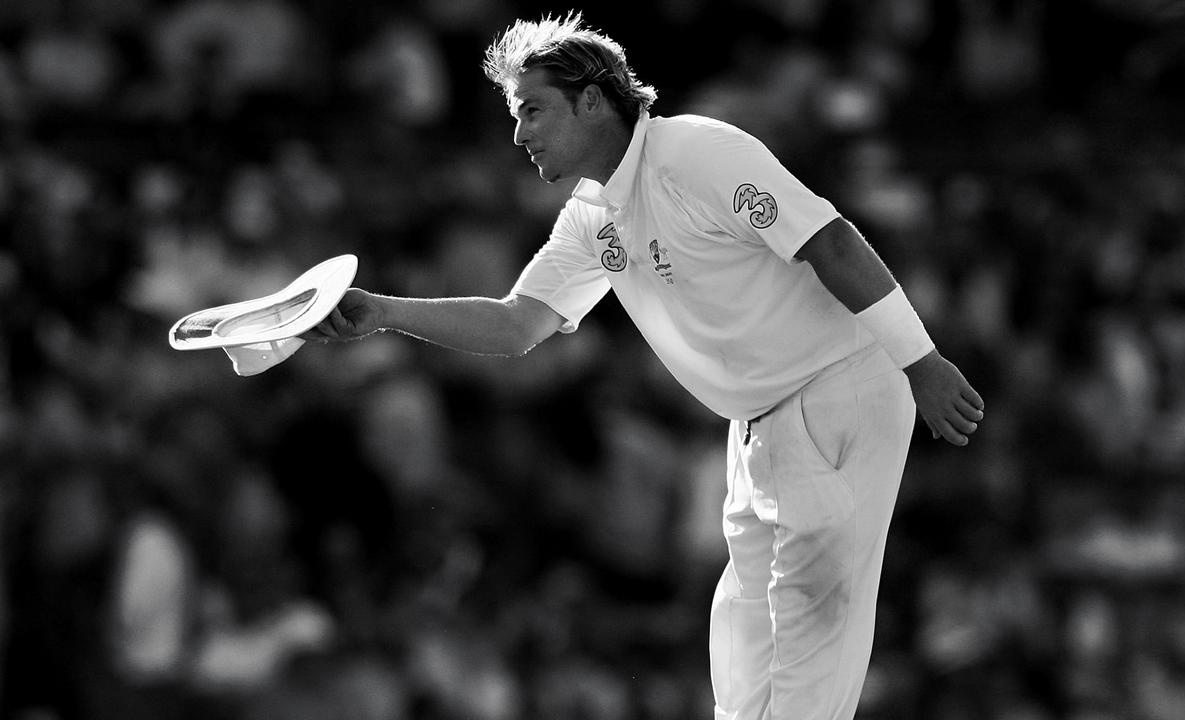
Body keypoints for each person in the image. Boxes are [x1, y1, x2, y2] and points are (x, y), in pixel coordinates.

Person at [305, 12, 984, 720]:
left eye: (533, 110)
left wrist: (921, 359)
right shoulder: (590, 216)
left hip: (839, 387)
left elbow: (830, 239)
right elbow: (516, 325)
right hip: (758, 425)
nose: (519, 135)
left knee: (811, 622)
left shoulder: (695, 151)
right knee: (745, 643)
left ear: (593, 100)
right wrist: (384, 312)